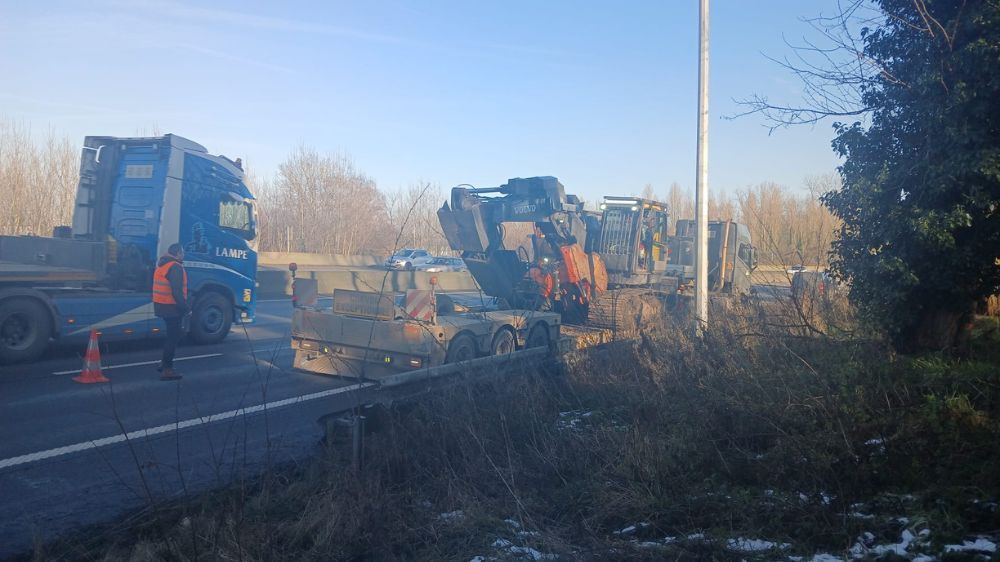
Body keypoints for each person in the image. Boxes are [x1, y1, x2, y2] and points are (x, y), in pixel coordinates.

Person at [153, 243, 188, 381]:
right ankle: (167, 369)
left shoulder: (163, 265)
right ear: (178, 253)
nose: (183, 255)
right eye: (182, 252)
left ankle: (164, 363)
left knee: (173, 336)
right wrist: (186, 308)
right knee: (173, 337)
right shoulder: (175, 267)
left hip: (161, 305)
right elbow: (176, 291)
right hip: (171, 307)